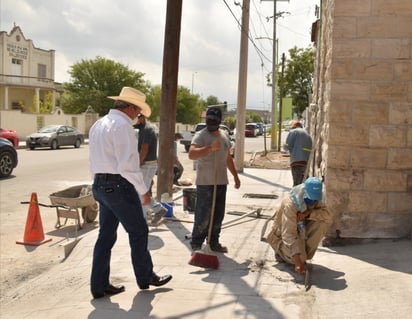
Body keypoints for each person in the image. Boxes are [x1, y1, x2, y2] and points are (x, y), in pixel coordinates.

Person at [88, 87, 172, 299]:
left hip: (100, 184)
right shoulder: (122, 126)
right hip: (118, 186)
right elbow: (128, 165)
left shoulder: (99, 124)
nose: (139, 116)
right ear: (129, 107)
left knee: (105, 236)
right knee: (138, 231)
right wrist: (143, 191)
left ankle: (99, 285)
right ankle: (146, 277)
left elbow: (94, 160)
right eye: (138, 111)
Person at [188, 107, 241, 253]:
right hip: (205, 183)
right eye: (208, 120)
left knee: (218, 215)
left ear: (219, 121)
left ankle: (213, 242)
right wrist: (210, 148)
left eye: (213, 120)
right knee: (203, 215)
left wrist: (236, 176)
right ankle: (197, 243)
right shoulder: (201, 135)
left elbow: (228, 157)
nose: (210, 122)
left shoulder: (224, 135)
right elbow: (192, 154)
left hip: (221, 182)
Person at [266, 177, 332, 275]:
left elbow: (328, 216)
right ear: (305, 192)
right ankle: (281, 252)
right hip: (282, 237)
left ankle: (302, 254)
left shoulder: (316, 199)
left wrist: (309, 213)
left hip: (301, 231)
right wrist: (297, 262)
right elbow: (288, 235)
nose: (313, 201)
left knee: (322, 223)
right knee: (300, 258)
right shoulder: (291, 204)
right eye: (311, 198)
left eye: (315, 199)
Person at [133, 113, 167, 225]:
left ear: (141, 117)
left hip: (147, 164)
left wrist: (137, 165)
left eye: (136, 118)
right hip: (148, 165)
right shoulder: (147, 128)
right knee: (141, 191)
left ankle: (143, 220)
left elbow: (144, 149)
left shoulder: (147, 130)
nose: (134, 120)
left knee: (141, 193)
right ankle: (157, 209)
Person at [283, 120, 313, 186]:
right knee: (303, 182)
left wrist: (284, 146)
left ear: (294, 127)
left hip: (296, 161)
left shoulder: (293, 132)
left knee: (296, 183)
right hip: (305, 162)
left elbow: (286, 147)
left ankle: (296, 195)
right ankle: (302, 195)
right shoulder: (307, 134)